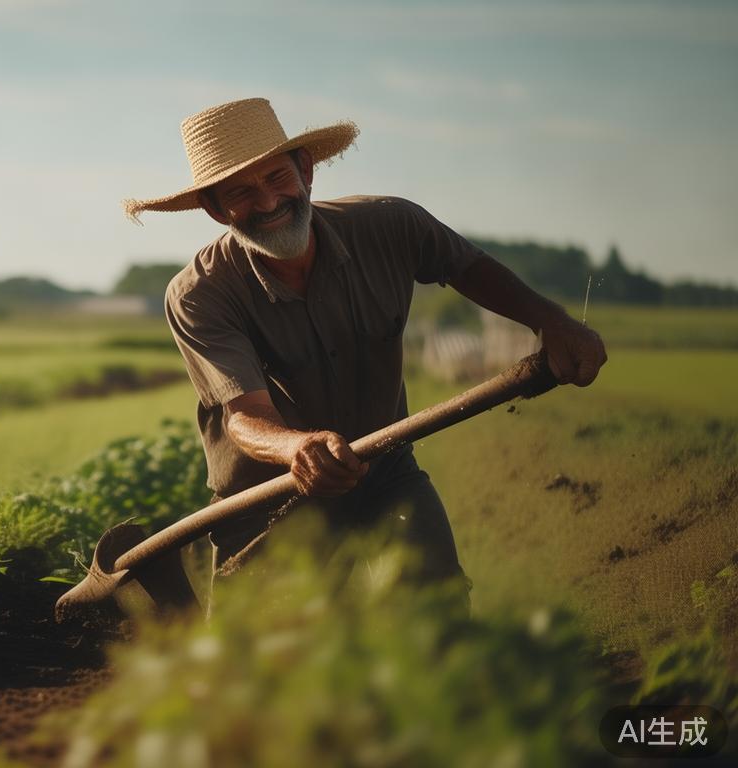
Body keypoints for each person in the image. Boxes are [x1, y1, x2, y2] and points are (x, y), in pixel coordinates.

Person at [122, 97, 607, 599]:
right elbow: (242, 417)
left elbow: (467, 266)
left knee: (434, 615)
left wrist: (551, 322)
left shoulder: (390, 226)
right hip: (270, 495)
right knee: (266, 662)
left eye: (275, 179)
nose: (267, 203)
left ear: (305, 170)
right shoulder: (201, 294)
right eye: (241, 192)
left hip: (386, 472)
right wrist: (296, 449)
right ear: (215, 208)